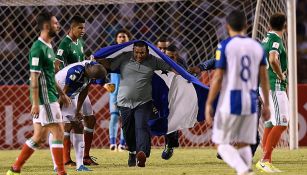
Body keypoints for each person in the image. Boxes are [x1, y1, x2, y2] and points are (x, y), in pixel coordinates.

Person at [205, 10, 270, 175]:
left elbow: (218, 77)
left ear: (227, 27)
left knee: (221, 144)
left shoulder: (225, 45)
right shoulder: (257, 47)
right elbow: (264, 78)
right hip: (251, 100)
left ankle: (244, 170)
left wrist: (208, 103)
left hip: (231, 99)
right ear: (246, 26)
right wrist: (267, 104)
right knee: (243, 144)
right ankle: (245, 171)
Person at [7, 11, 70, 175]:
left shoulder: (49, 46)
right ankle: (61, 172)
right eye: (56, 23)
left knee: (39, 136)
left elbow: (49, 76)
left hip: (51, 95)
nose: (58, 26)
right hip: (45, 98)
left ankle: (15, 169)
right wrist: (35, 103)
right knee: (58, 131)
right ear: (46, 26)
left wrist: (62, 94)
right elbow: (34, 78)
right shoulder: (37, 48)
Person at [97, 41, 171, 167]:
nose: (139, 55)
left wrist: (186, 75)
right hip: (123, 102)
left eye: (142, 52)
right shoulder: (124, 57)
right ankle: (132, 151)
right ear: (133, 50)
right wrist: (97, 59)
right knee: (127, 130)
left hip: (144, 102)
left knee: (142, 127)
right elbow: (109, 64)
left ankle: (142, 153)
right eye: (136, 52)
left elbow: (171, 67)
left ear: (147, 51)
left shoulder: (153, 60)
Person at [54, 15, 98, 166]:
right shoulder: (64, 44)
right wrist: (60, 88)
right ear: (71, 28)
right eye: (80, 27)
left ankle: (85, 156)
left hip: (81, 85)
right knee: (70, 122)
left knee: (91, 119)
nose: (83, 30)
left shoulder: (80, 42)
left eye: (84, 27)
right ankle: (66, 159)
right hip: (69, 88)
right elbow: (56, 65)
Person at [256, 13, 288, 173]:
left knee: (272, 123)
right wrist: (281, 75)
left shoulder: (265, 40)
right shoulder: (275, 40)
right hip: (274, 85)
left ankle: (265, 161)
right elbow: (273, 59)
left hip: (265, 84)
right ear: (285, 25)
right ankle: (265, 160)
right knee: (282, 123)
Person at [159, 44, 187, 160]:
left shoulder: (181, 65)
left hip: (176, 95)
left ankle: (170, 145)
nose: (169, 59)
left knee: (171, 121)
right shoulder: (159, 62)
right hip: (162, 95)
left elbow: (187, 77)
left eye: (172, 57)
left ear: (176, 56)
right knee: (165, 120)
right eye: (167, 56)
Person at [108, 29, 131, 152]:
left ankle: (122, 144)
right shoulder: (112, 53)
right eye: (120, 36)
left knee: (125, 118)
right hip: (114, 90)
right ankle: (112, 143)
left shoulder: (132, 54)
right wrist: (105, 82)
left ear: (128, 39)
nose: (122, 38)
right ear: (116, 39)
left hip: (127, 90)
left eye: (124, 36)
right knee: (114, 117)